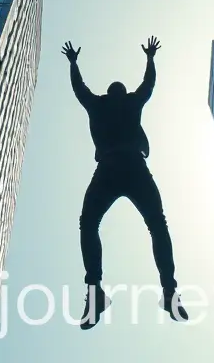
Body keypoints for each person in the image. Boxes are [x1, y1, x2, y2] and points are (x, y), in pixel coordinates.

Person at [61, 36, 187, 329]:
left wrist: (74, 64)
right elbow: (146, 85)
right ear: (115, 93)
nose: (118, 90)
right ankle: (154, 291)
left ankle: (161, 291)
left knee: (100, 223)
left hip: (118, 166)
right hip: (124, 166)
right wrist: (150, 59)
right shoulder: (122, 103)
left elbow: (84, 89)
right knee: (152, 223)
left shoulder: (108, 104)